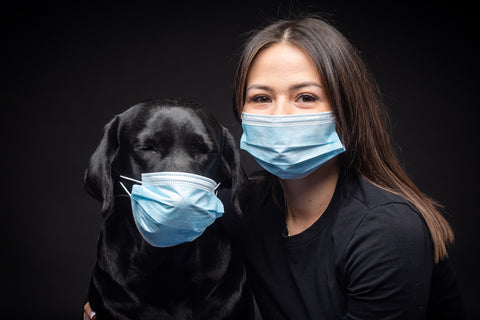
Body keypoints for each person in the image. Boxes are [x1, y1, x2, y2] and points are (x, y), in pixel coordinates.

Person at [84, 16, 464, 319]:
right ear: (242, 112)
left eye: (305, 97)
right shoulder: (243, 209)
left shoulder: (386, 230)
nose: (281, 114)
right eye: (262, 97)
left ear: (345, 110)